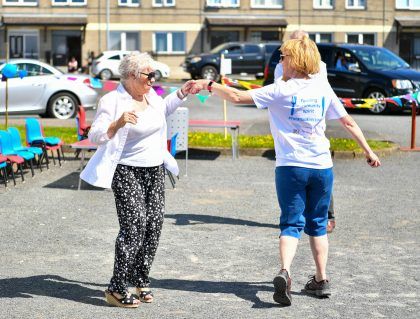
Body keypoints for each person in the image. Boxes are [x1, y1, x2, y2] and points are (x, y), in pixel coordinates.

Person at [191, 35, 381, 306]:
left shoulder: (280, 90)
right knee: (318, 225)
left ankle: (285, 272)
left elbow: (235, 96)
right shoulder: (323, 90)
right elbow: (348, 122)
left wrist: (208, 84)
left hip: (291, 166)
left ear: (296, 61)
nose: (280, 60)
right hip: (321, 167)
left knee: (291, 223)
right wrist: (368, 151)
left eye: (284, 56)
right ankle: (321, 279)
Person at [80, 52, 196, 308]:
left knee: (153, 226)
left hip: (154, 169)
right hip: (126, 170)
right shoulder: (112, 100)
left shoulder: (150, 95)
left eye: (153, 74)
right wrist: (118, 123)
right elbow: (95, 135)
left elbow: (162, 109)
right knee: (134, 226)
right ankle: (116, 288)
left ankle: (140, 278)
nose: (153, 78)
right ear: (132, 75)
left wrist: (181, 93)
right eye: (148, 74)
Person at [275, 30, 336, 233]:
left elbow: (323, 91)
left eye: (302, 40)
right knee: (295, 178)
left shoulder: (320, 65)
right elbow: (278, 90)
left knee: (322, 171)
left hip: (313, 122)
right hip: (292, 125)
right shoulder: (280, 65)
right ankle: (295, 219)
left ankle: (327, 216)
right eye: (295, 40)